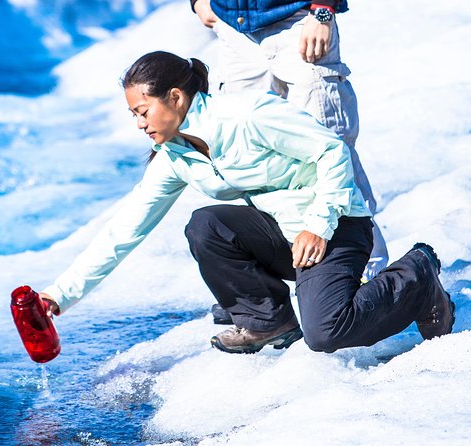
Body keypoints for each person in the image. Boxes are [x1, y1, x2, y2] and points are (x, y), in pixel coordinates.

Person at [38, 51, 454, 354]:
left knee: (328, 333)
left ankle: (417, 275)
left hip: (334, 227)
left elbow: (331, 151)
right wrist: (60, 295)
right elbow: (125, 229)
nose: (139, 123)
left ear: (176, 97)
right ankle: (268, 321)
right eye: (134, 114)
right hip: (283, 235)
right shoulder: (175, 157)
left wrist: (319, 224)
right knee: (206, 225)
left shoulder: (247, 115)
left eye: (143, 111)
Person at [190, 0, 389, 283]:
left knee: (326, 147)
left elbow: (333, 155)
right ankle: (277, 301)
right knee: (247, 155)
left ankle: (371, 276)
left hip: (297, 20)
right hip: (234, 28)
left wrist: (323, 10)